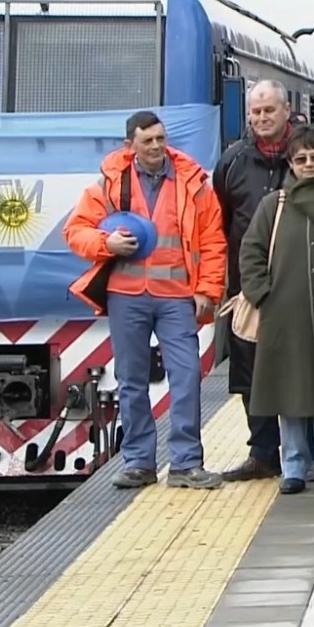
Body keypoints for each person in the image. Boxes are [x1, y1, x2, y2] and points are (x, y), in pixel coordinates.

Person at [64, 110, 226, 490]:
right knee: (131, 380)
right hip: (127, 296)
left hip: (177, 298)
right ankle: (139, 463)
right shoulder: (109, 185)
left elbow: (213, 240)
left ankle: (186, 463)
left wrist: (207, 290)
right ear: (129, 146)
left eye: (160, 139)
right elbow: (75, 232)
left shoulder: (194, 183)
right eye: (147, 141)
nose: (156, 147)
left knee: (186, 376)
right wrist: (108, 243)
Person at [239, 125, 314, 496]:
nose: (309, 164)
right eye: (301, 159)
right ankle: (295, 466)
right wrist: (263, 294)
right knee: (290, 391)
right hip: (284, 316)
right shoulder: (275, 204)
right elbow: (251, 250)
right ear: (290, 163)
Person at [212, 80, 291, 484]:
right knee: (250, 373)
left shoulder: (308, 154)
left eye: (269, 111)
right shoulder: (232, 162)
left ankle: (302, 456)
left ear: (286, 110)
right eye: (255, 113)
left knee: (297, 371)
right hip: (247, 288)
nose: (261, 119)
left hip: (298, 287)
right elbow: (221, 222)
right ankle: (263, 453)